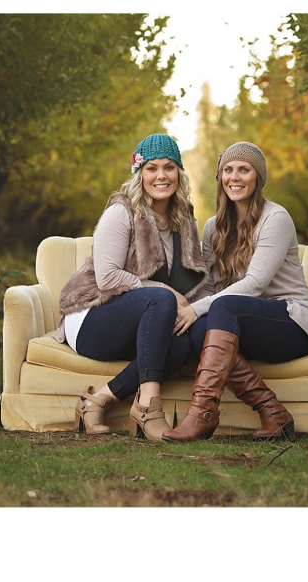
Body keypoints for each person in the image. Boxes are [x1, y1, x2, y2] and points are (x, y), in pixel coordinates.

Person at [162, 141, 308, 443]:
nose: (235, 177)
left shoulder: (276, 218)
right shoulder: (213, 227)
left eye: (244, 170)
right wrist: (184, 308)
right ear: (220, 178)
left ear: (257, 177)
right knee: (199, 331)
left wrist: (198, 309)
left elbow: (256, 284)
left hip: (290, 325)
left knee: (223, 308)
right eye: (228, 170)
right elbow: (209, 285)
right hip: (241, 325)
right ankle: (273, 412)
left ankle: (202, 413)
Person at [55, 133, 209, 442]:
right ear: (139, 174)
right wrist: (166, 293)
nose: (161, 176)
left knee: (180, 345)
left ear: (179, 172)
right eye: (152, 168)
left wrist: (197, 309)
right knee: (160, 299)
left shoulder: (183, 219)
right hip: (91, 317)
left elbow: (193, 278)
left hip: (138, 320)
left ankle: (97, 401)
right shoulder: (122, 211)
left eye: (169, 167)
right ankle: (148, 408)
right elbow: (108, 278)